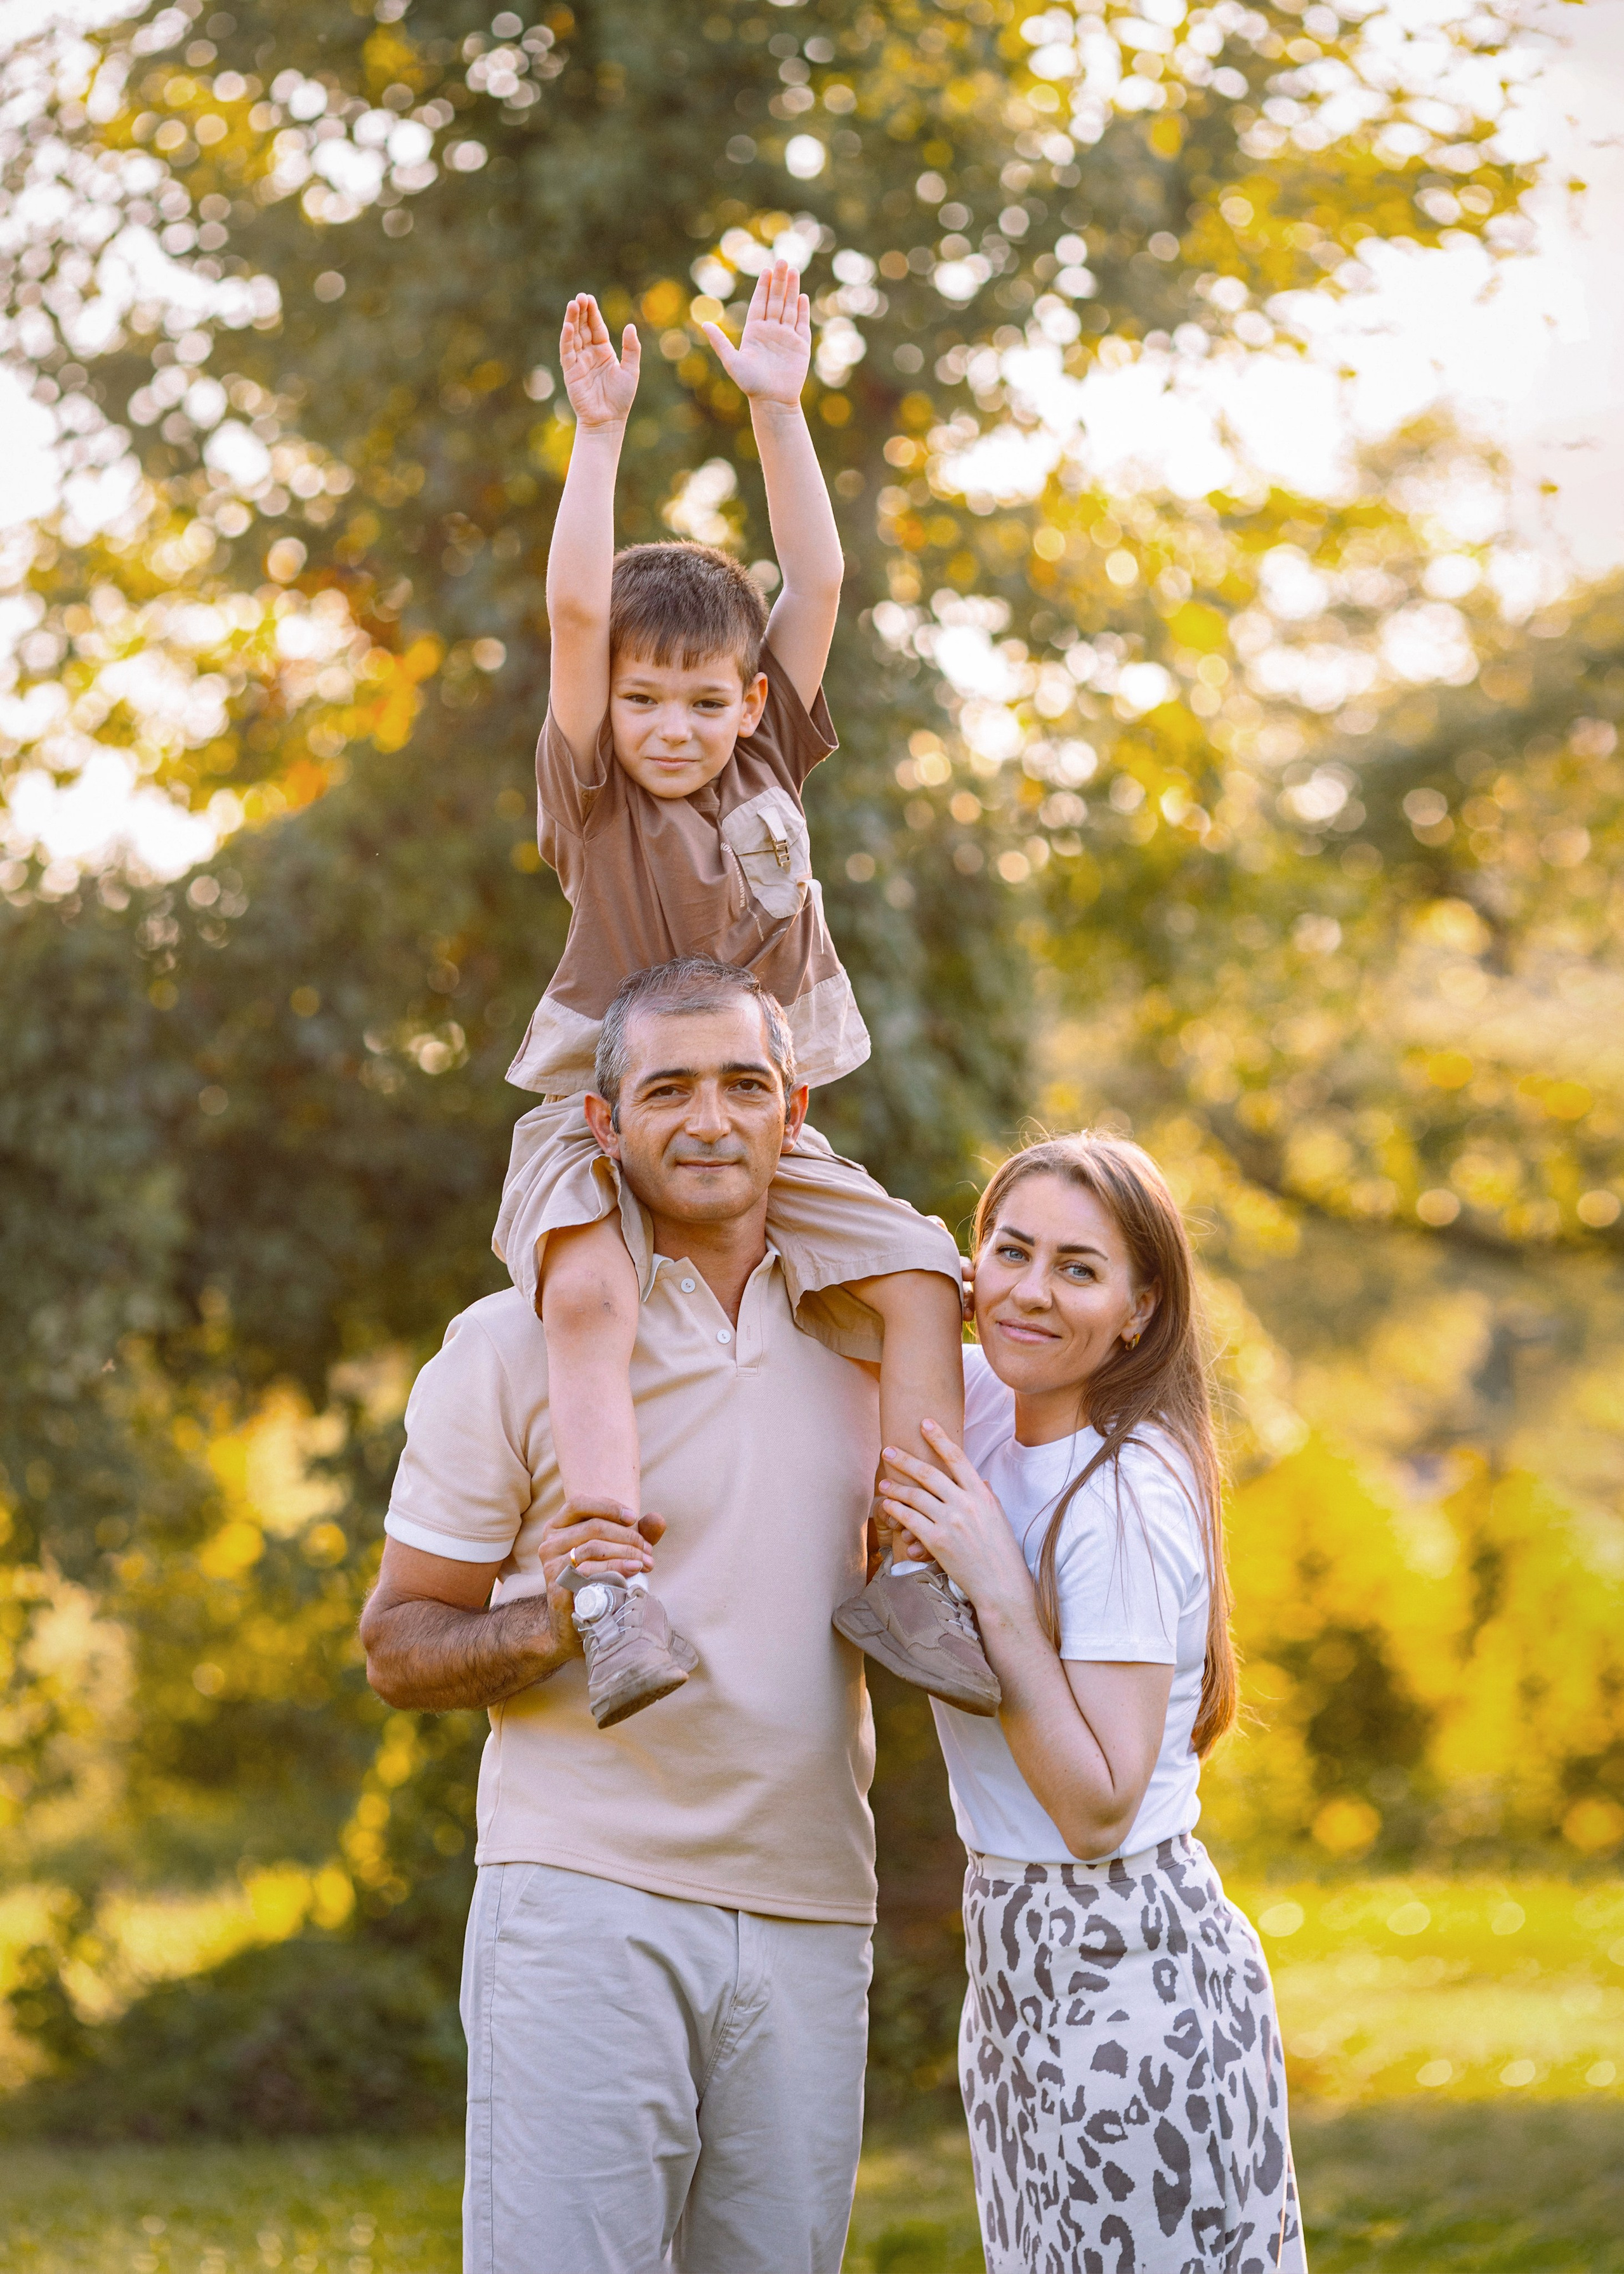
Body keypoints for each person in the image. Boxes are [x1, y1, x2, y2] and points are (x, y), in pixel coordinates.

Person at [490, 258, 997, 1723]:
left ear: (752, 704)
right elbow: (579, 618)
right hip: (606, 1106)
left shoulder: (766, 756)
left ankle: (902, 1565)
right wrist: (598, 441)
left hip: (757, 1120)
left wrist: (777, 410)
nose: (671, 725)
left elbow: (819, 579)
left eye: (704, 700)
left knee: (916, 1275)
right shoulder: (588, 787)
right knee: (583, 1284)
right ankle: (610, 1586)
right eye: (649, 700)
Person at [360, 962, 890, 2274]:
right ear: (602, 1123)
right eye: (666, 1088)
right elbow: (396, 1643)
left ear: (793, 1110)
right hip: (583, 1903)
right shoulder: (507, 1343)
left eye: (741, 1086)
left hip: (814, 1905)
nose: (707, 1119)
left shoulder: (878, 1344)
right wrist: (546, 1620)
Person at [874, 1134, 1308, 2274]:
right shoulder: (981, 1409)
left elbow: (1101, 1808)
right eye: (1009, 1252)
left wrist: (998, 1591)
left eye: (1079, 1268)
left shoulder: (1120, 1495)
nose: (1030, 1292)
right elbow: (843, 1258)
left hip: (1128, 1965)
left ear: (1137, 1309)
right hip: (1019, 1954)